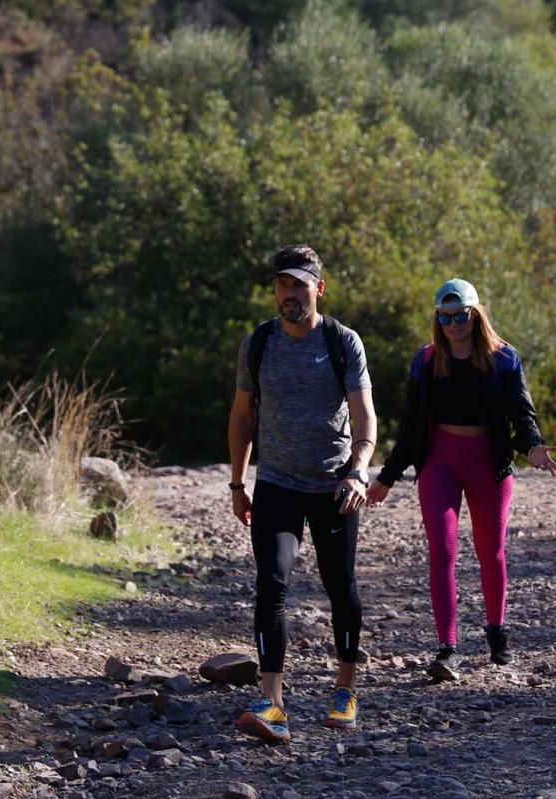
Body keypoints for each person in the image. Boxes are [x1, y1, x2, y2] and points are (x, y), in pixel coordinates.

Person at [365, 278, 556, 682]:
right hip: (440, 463)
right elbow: (411, 425)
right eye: (446, 316)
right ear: (438, 318)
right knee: (443, 552)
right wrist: (387, 476)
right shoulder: (426, 361)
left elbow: (522, 414)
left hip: (489, 463)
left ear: (475, 314)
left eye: (461, 315)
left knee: (492, 551)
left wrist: (533, 447)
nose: (454, 323)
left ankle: (496, 632)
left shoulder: (504, 360)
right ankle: (447, 648)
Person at [227, 244, 376, 743]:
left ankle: (345, 689)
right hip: (276, 485)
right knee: (270, 585)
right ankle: (273, 704)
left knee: (341, 585)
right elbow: (244, 415)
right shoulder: (259, 343)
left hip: (334, 486)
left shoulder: (341, 342)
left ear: (319, 287)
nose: (289, 294)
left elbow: (365, 418)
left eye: (298, 284)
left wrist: (357, 471)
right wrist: (237, 482)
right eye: (282, 284)